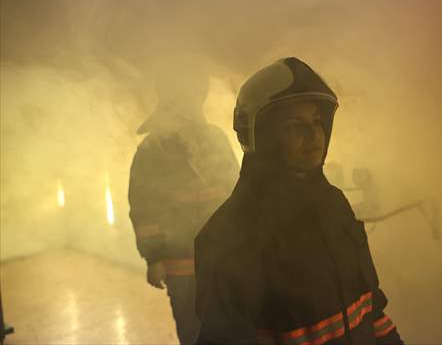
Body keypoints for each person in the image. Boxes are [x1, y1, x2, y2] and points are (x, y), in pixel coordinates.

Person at [194, 57, 404, 345]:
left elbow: (371, 307)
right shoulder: (229, 236)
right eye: (295, 125)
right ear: (261, 136)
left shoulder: (334, 204)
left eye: (317, 121)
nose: (314, 134)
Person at [128, 84, 239, 345]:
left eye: (196, 96)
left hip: (224, 259)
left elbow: (236, 188)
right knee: (194, 332)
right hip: (182, 267)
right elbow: (143, 208)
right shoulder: (152, 150)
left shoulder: (215, 138)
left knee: (232, 328)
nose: (194, 104)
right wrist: (154, 259)